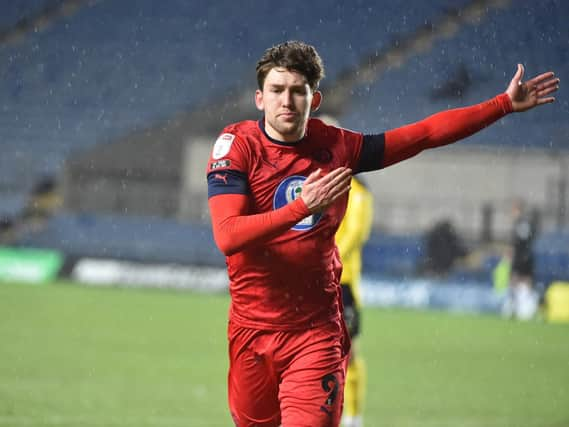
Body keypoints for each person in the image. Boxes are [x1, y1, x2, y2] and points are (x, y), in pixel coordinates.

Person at [205, 40, 559, 426]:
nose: (286, 101)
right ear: (259, 98)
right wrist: (301, 208)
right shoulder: (237, 146)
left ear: (315, 98)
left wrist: (502, 104)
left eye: (297, 91)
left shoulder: (337, 147)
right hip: (251, 331)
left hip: (315, 331)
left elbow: (423, 134)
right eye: (276, 90)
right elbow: (228, 235)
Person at [334, 175, 373, 427]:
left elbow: (356, 232)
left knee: (348, 353)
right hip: (317, 281)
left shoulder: (357, 192)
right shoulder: (325, 184)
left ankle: (353, 417)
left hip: (343, 281)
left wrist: (328, 258)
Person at [503, 198, 539, 320]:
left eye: (513, 210)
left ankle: (518, 308)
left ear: (517, 210)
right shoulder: (526, 223)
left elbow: (517, 242)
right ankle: (525, 308)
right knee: (525, 281)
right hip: (527, 257)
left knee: (515, 280)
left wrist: (511, 254)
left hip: (520, 257)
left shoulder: (520, 223)